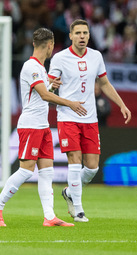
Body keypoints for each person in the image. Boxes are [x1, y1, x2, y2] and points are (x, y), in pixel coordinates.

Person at [0, 28, 87, 227]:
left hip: (43, 126)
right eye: (52, 47)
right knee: (26, 170)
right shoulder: (31, 66)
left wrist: (50, 85)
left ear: (34, 43)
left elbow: (42, 93)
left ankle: (49, 216)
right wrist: (70, 103)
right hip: (31, 126)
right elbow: (45, 96)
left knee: (46, 171)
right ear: (50, 45)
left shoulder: (40, 68)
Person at [48, 19, 131, 222]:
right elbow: (49, 88)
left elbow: (104, 82)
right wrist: (52, 86)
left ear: (89, 35)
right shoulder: (59, 58)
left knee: (92, 167)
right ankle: (78, 209)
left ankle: (69, 192)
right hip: (68, 117)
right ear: (71, 36)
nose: (82, 36)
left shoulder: (96, 56)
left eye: (85, 33)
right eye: (78, 33)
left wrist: (121, 104)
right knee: (74, 163)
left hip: (90, 119)